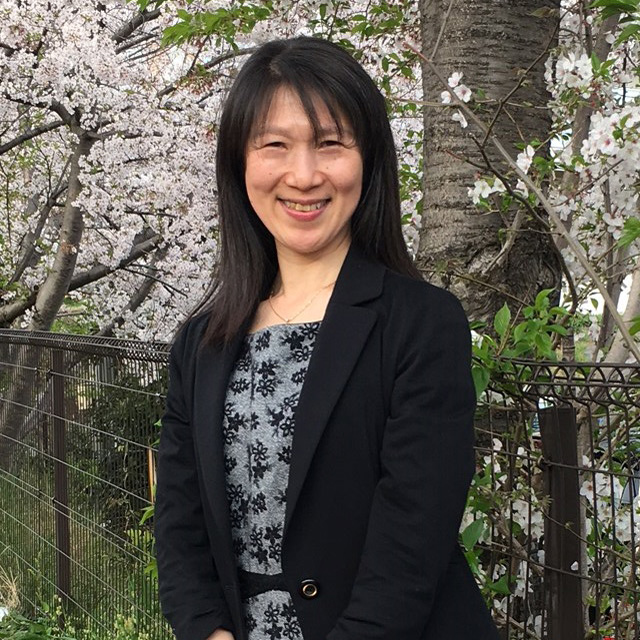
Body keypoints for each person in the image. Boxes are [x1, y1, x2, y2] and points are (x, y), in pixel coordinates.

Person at [155, 36, 500, 640]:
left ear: (368, 159)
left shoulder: (421, 325)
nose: (304, 175)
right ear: (240, 162)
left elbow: (412, 540)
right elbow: (179, 524)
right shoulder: (202, 343)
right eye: (275, 145)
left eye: (330, 143)